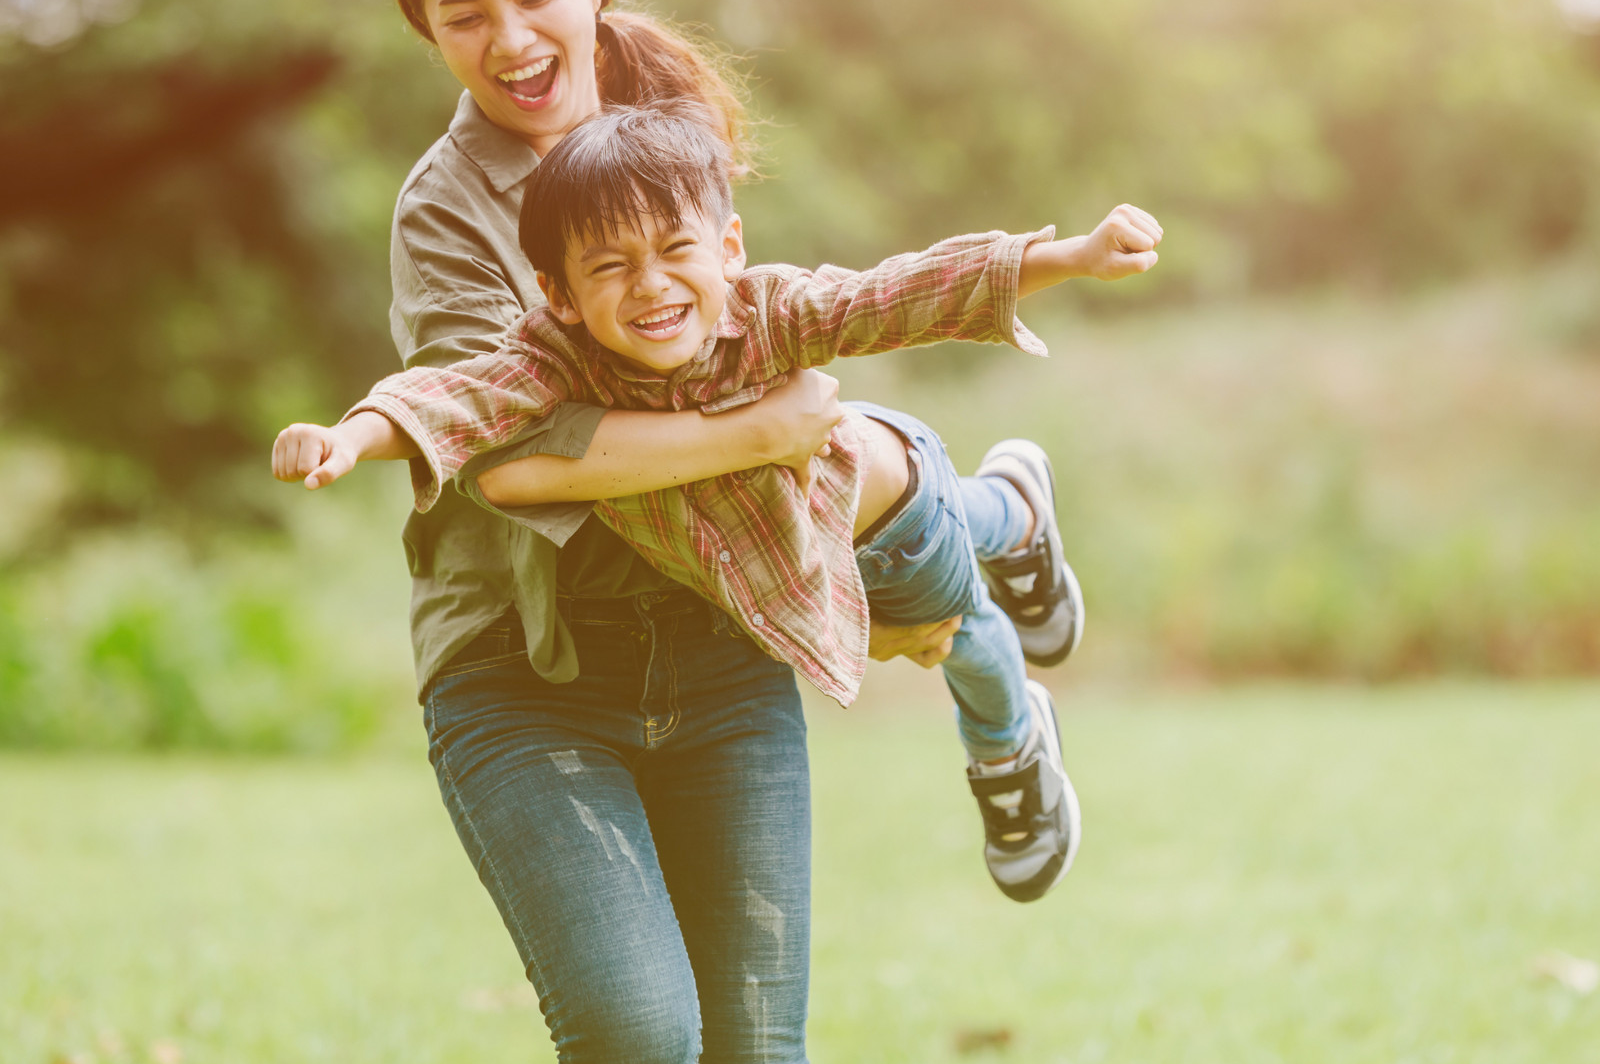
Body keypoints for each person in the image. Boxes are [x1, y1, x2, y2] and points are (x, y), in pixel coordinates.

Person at [282, 0, 1071, 1064]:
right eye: (461, 15)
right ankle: (993, 531)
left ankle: (993, 543)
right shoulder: (444, 213)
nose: (509, 40)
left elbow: (818, 310)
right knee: (641, 1040)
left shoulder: (668, 130)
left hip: (716, 647)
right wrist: (759, 433)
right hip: (530, 674)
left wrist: (1033, 267)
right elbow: (522, 445)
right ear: (425, 33)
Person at [275, 106, 1164, 900]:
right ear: (558, 294)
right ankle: (1015, 505)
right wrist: (348, 437)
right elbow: (456, 398)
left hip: (884, 514)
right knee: (971, 542)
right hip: (817, 531)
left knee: (958, 630)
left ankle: (1010, 745)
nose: (652, 285)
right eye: (611, 267)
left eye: (675, 251)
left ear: (728, 247)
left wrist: (1072, 257)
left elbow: (900, 293)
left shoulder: (771, 311)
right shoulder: (553, 363)